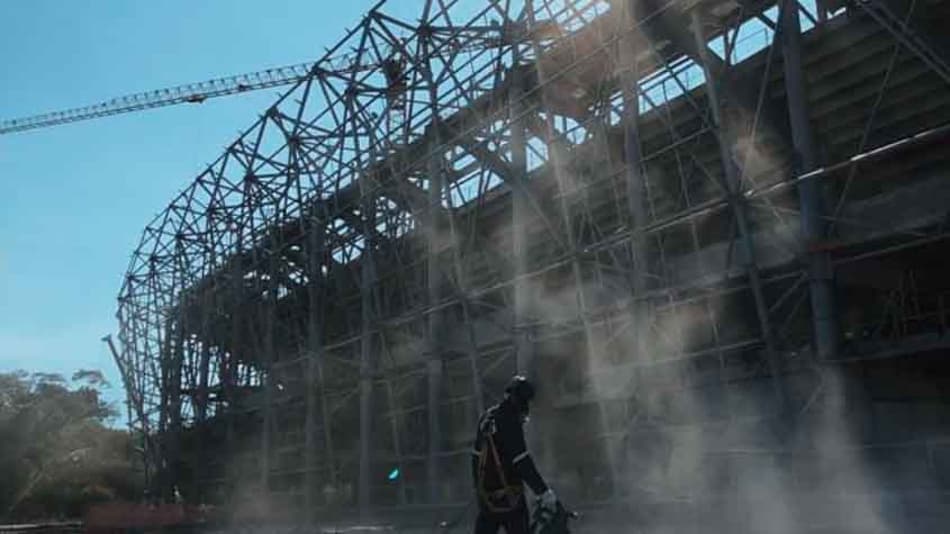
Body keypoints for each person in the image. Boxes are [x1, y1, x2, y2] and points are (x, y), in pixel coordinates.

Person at [471, 375, 557, 534]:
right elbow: (521, 460)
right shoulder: (509, 419)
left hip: (487, 498)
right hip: (511, 498)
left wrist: (478, 489)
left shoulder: (487, 416)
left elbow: (476, 455)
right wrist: (543, 492)